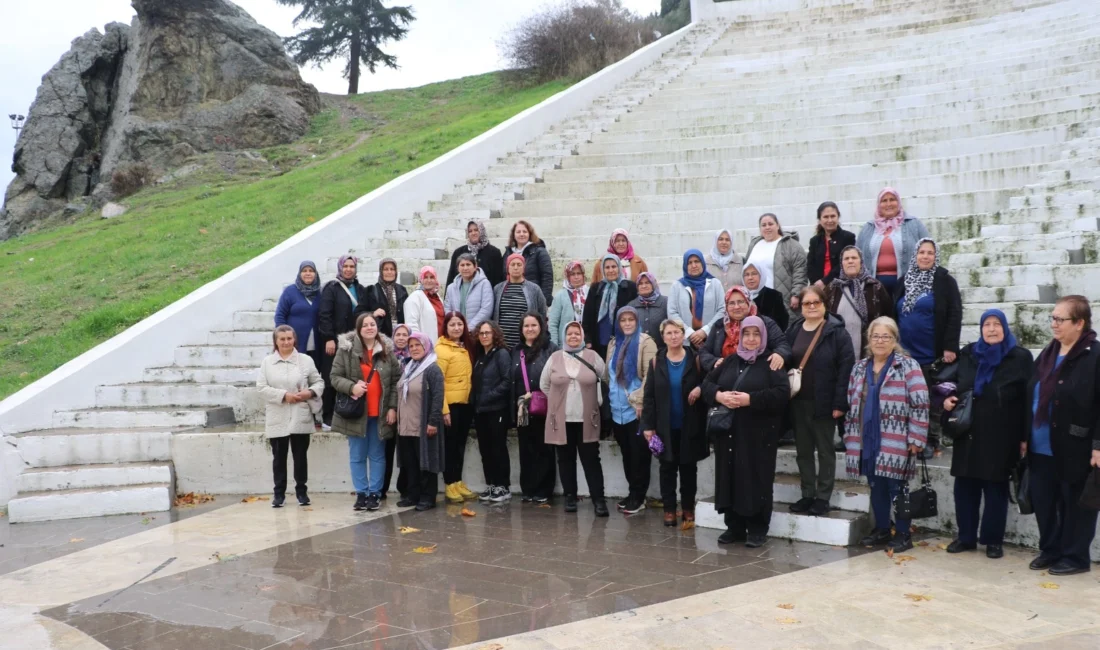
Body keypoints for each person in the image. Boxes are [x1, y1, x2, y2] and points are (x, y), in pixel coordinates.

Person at [943, 310, 1034, 559]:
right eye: (987, 325)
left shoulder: (1020, 357)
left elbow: (1029, 400)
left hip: (1002, 434)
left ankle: (993, 541)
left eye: (996, 324)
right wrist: (949, 400)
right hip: (969, 433)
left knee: (995, 490)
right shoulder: (970, 353)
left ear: (1005, 328)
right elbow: (953, 384)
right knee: (965, 488)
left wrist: (1025, 437)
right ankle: (966, 537)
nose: (991, 329)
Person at [1025, 296, 1100, 575]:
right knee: (1045, 502)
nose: (1054, 324)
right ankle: (1051, 549)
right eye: (1052, 318)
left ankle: (1075, 556)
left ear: (1079, 323)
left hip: (1075, 446)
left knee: (1076, 505)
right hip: (1040, 445)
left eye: (1060, 319)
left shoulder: (1094, 356)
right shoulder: (1047, 353)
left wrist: (1098, 446)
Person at [703, 316, 790, 547]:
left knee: (756, 479)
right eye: (747, 334)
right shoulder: (731, 361)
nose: (751, 339)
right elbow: (707, 385)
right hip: (730, 433)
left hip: (758, 435)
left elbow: (782, 393)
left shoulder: (771, 361)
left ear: (763, 336)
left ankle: (757, 528)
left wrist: (750, 400)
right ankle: (735, 526)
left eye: (756, 334)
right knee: (730, 477)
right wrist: (720, 396)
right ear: (740, 336)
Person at [844, 316, 929, 553]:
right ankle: (882, 528)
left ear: (894, 340)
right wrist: (850, 436)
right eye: (876, 336)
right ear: (868, 339)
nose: (880, 341)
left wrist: (917, 437)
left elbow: (921, 402)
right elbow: (852, 403)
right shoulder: (859, 367)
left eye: (886, 336)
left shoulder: (908, 366)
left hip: (896, 438)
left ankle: (903, 533)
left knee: (897, 486)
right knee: (875, 485)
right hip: (866, 438)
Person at [785, 286, 855, 516]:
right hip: (798, 402)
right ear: (801, 307)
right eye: (807, 303)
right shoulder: (794, 329)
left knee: (825, 451)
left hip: (824, 402)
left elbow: (846, 370)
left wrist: (839, 403)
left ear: (825, 304)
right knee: (803, 451)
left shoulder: (837, 333)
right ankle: (807, 494)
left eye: (816, 302)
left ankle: (823, 497)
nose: (812, 306)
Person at [894, 238, 962, 458]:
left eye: (930, 253)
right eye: (921, 252)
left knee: (931, 399)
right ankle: (908, 438)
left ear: (935, 256)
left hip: (930, 354)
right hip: (904, 353)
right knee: (907, 398)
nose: (925, 256)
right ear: (915, 255)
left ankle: (930, 441)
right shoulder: (904, 280)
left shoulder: (944, 281)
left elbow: (954, 313)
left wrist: (949, 346)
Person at [329, 313, 401, 512]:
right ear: (359, 329)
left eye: (373, 324)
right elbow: (334, 377)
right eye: (365, 325)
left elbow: (396, 381)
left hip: (380, 413)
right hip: (356, 413)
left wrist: (393, 407)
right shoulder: (347, 350)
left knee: (377, 455)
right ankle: (361, 493)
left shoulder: (387, 351)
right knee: (357, 455)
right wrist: (352, 387)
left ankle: (375, 494)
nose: (370, 327)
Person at [642, 319, 708, 527]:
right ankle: (669, 509)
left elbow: (709, 382)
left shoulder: (695, 359)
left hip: (690, 424)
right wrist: (648, 426)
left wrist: (700, 389)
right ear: (663, 337)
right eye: (669, 333)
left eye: (677, 332)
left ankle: (688, 508)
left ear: (683, 334)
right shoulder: (656, 362)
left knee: (689, 469)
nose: (673, 336)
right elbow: (649, 396)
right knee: (667, 468)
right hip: (664, 427)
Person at [540, 322, 609, 517]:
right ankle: (570, 497)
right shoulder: (554, 357)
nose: (573, 337)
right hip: (561, 420)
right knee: (565, 459)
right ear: (564, 336)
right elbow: (544, 384)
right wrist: (558, 402)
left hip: (587, 418)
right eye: (569, 334)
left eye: (576, 333)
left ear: (582, 335)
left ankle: (599, 501)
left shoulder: (592, 356)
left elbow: (604, 378)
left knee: (591, 460)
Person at [257, 325, 324, 507]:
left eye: (289, 338)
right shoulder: (267, 362)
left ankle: (302, 492)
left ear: (294, 339)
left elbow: (318, 382)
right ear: (276, 342)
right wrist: (284, 396)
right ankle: (279, 494)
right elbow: (262, 388)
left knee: (300, 456)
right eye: (282, 339)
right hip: (277, 415)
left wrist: (308, 393)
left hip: (299, 414)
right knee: (279, 457)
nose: (286, 342)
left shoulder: (306, 360)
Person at [604, 306, 658, 514]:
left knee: (639, 456)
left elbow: (649, 376)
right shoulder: (613, 343)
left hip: (636, 410)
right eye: (623, 320)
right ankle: (633, 492)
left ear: (637, 322)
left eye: (631, 320)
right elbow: (608, 375)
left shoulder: (646, 342)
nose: (627, 323)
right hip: (617, 411)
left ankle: (639, 496)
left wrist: (640, 402)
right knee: (627, 454)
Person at [512, 313, 559, 504]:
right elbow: (512, 379)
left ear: (541, 327)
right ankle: (528, 488)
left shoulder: (550, 349)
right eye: (526, 326)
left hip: (544, 406)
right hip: (522, 408)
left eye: (533, 325)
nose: (530, 329)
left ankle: (544, 489)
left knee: (544, 448)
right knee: (525, 448)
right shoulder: (516, 350)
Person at [396, 333, 446, 511]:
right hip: (406, 426)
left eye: (418, 345)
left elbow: (438, 397)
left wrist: (432, 421)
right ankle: (413, 495)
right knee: (410, 464)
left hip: (424, 426)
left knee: (426, 463)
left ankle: (427, 497)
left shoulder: (432, 369)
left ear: (426, 347)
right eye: (411, 346)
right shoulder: (408, 367)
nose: (414, 348)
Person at [318, 255, 369, 428]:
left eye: (351, 266)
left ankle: (346, 411)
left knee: (350, 376)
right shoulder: (331, 288)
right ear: (340, 268)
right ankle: (327, 415)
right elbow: (324, 315)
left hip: (355, 341)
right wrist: (329, 338)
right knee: (332, 376)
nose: (348, 269)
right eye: (345, 266)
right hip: (336, 341)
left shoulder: (360, 289)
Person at [698, 286, 790, 374]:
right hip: (724, 375)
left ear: (748, 302)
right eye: (731, 303)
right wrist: (714, 362)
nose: (736, 307)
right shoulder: (720, 325)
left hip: (757, 376)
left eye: (741, 302)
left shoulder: (765, 323)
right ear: (726, 306)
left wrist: (779, 354)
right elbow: (705, 351)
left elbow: (783, 344)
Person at [856, 187, 931, 295]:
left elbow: (929, 248)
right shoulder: (869, 227)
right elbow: (857, 254)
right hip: (873, 287)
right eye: (884, 201)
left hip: (909, 285)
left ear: (899, 202)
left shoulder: (913, 223)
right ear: (878, 204)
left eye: (892, 199)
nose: (888, 204)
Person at [471, 320, 515, 503]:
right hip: (481, 411)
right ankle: (491, 484)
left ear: (495, 334)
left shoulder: (502, 354)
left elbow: (507, 380)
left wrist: (488, 396)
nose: (484, 336)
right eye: (481, 333)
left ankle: (502, 486)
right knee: (485, 449)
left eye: (487, 333)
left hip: (497, 409)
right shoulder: (481, 356)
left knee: (498, 448)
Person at [436, 312, 477, 504]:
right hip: (450, 406)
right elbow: (438, 383)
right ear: (446, 327)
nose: (456, 328)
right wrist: (444, 410)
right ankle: (449, 483)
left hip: (465, 405)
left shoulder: (466, 346)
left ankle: (458, 480)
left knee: (460, 445)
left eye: (460, 324)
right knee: (450, 447)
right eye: (452, 324)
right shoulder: (442, 349)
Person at [827, 246, 895, 357]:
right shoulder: (833, 288)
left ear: (861, 261)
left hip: (869, 349)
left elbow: (888, 316)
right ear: (842, 263)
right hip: (838, 349)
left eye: (854, 258)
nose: (850, 261)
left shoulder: (875, 287)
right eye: (846, 258)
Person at [744, 213, 807, 319]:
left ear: (778, 225)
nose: (767, 227)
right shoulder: (754, 245)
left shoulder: (791, 245)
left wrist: (796, 294)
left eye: (770, 224)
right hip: (755, 300)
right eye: (763, 225)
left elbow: (800, 271)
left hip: (780, 300)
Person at [274, 261, 322, 392]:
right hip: (295, 343)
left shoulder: (320, 292)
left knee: (313, 376)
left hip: (317, 344)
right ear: (300, 273)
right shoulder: (290, 291)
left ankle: (312, 407)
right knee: (295, 377)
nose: (308, 273)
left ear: (315, 274)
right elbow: (280, 315)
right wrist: (284, 337)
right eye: (304, 271)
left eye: (311, 271)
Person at [582, 254, 639, 359]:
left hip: (623, 341)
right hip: (599, 343)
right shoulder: (596, 288)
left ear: (619, 268)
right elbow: (587, 317)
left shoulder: (630, 287)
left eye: (614, 266)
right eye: (607, 267)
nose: (611, 270)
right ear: (603, 270)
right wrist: (588, 340)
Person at [667, 249, 724, 349]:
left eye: (697, 261)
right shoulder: (677, 286)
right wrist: (689, 333)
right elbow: (672, 312)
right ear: (685, 265)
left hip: (711, 338)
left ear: (702, 262)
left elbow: (722, 310)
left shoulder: (715, 284)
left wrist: (705, 331)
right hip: (685, 341)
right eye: (689, 263)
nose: (694, 265)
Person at [493, 253, 549, 349]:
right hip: (502, 343)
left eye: (519, 265)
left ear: (524, 268)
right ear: (508, 268)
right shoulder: (498, 289)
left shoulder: (534, 289)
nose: (516, 267)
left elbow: (542, 314)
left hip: (525, 343)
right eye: (512, 264)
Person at [383, 324, 412, 498]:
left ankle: (405, 487)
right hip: (389, 409)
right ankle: (382, 488)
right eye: (398, 335)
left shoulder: (415, 357)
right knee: (386, 451)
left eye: (405, 335)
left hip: (408, 410)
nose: (401, 338)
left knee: (406, 451)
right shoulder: (385, 357)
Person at [503, 220, 554, 305]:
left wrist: (544, 301)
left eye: (525, 231)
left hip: (533, 299)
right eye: (518, 232)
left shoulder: (539, 251)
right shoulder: (508, 253)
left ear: (529, 234)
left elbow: (547, 277)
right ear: (514, 235)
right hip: (511, 298)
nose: (521, 234)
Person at [808, 202, 856, 288]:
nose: (830, 220)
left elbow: (843, 264)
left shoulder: (848, 238)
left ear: (838, 217)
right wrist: (815, 284)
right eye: (826, 217)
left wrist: (825, 281)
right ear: (819, 220)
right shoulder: (814, 241)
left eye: (833, 216)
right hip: (819, 288)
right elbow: (810, 266)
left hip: (842, 285)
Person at [446, 220, 504, 289]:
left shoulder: (494, 253)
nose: (473, 233)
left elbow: (498, 280)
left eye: (476, 230)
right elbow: (451, 278)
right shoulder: (458, 253)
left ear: (482, 231)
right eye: (470, 231)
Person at [444, 253, 494, 330]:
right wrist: (456, 326)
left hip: (477, 331)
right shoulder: (451, 288)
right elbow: (447, 309)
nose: (465, 268)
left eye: (468, 264)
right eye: (462, 265)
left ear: (475, 266)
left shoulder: (484, 284)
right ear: (458, 268)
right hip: (457, 331)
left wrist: (469, 328)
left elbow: (486, 309)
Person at [362, 258, 408, 337]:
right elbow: (358, 314)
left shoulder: (402, 290)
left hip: (400, 336)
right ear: (381, 271)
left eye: (392, 269)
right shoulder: (371, 291)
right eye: (386, 269)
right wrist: (373, 313)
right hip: (380, 337)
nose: (389, 272)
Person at [548, 260, 588, 347]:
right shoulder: (560, 296)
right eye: (572, 274)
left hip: (586, 345)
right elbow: (553, 324)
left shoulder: (589, 293)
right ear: (568, 277)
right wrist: (554, 347)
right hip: (564, 346)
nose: (576, 277)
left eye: (579, 273)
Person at [742, 262, 788, 331]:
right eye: (747, 274)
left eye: (754, 273)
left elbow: (782, 322)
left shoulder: (774, 296)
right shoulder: (739, 295)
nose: (750, 278)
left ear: (761, 275)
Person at [405, 266, 446, 342]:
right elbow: (411, 324)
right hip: (425, 345)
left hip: (441, 343)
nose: (429, 280)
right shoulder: (415, 297)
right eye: (426, 277)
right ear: (421, 279)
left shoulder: (437, 297)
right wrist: (419, 343)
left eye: (432, 277)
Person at [628, 272, 668, 346]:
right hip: (639, 350)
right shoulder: (631, 305)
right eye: (640, 283)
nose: (644, 286)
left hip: (662, 350)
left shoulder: (665, 302)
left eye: (647, 283)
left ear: (653, 284)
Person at [706, 228, 744, 293]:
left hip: (736, 302)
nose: (724, 242)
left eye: (727, 240)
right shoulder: (706, 262)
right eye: (720, 239)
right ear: (715, 241)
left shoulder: (741, 261)